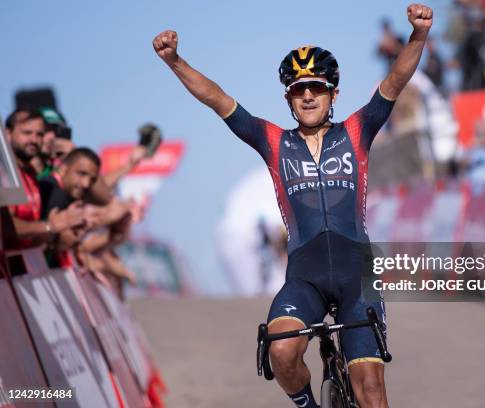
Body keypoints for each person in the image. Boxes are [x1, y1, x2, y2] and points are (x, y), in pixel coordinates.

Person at [153, 4, 432, 407]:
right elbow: (218, 100)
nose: (307, 95)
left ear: (333, 93)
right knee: (280, 350)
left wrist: (419, 35)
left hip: (357, 275)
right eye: (298, 88)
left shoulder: (357, 131)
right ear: (288, 97)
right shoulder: (272, 141)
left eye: (316, 87)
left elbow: (396, 78)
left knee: (370, 390)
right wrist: (175, 61)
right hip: (305, 276)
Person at [4, 108, 85, 248]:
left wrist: (62, 229)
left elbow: (28, 239)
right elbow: (5, 226)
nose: (34, 140)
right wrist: (50, 225)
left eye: (39, 134)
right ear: (8, 133)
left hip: (29, 265)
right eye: (27, 133)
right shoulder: (4, 170)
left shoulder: (30, 174)